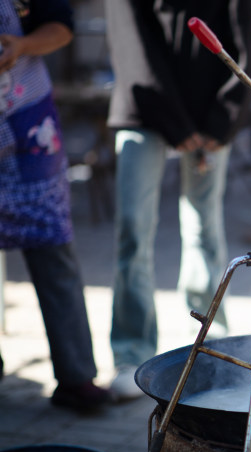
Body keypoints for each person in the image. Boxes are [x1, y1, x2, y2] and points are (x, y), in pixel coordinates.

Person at [104, 0, 251, 400]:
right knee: (134, 231)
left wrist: (221, 119)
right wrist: (176, 123)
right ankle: (131, 351)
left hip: (210, 113)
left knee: (204, 227)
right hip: (144, 108)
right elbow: (132, 45)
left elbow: (242, 44)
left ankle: (210, 342)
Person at [0, 0, 110, 411]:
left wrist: (23, 45)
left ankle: (75, 375)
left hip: (28, 120)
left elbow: (61, 25)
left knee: (53, 242)